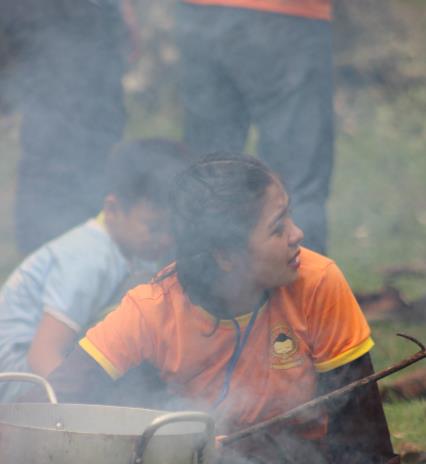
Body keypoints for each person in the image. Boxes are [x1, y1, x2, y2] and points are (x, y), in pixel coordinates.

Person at [32, 153, 399, 464]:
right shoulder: (153, 309)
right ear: (226, 256)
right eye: (277, 227)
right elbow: (55, 400)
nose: (297, 234)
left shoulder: (318, 283)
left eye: (289, 216)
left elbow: (360, 441)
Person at [0, 138, 189, 403]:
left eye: (172, 228)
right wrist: (80, 414)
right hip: (18, 378)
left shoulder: (137, 251)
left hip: (58, 365)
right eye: (154, 227)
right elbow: (42, 354)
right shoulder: (89, 259)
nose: (166, 239)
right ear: (113, 209)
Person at [175, 0, 334, 254]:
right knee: (295, 183)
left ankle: (196, 277)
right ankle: (300, 280)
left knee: (207, 177)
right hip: (287, 16)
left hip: (201, 13)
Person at [3, 0, 140, 254]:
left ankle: (88, 243)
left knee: (95, 136)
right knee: (47, 140)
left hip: (90, 30)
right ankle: (43, 251)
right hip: (44, 22)